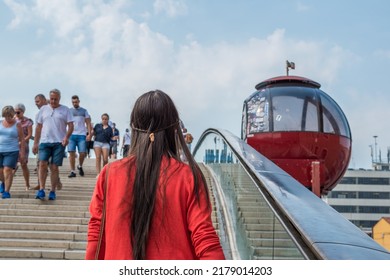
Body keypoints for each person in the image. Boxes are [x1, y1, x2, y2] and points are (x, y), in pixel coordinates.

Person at [86, 90, 225, 260]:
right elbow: (205, 239)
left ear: (134, 128)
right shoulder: (188, 176)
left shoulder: (109, 174)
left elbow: (96, 233)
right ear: (174, 128)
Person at [32, 89, 74, 200]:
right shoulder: (43, 109)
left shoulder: (65, 110)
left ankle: (52, 191)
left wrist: (66, 137)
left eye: (55, 99)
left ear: (59, 98)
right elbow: (38, 127)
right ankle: (41, 189)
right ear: (48, 98)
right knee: (42, 164)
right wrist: (36, 143)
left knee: (54, 167)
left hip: (59, 142)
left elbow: (71, 126)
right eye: (51, 99)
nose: (53, 101)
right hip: (45, 142)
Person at [0, 106, 26, 199]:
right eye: (6, 116)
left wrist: (22, 153)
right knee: (1, 172)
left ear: (13, 115)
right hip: (0, 150)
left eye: (9, 116)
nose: (8, 118)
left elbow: (22, 139)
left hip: (12, 150)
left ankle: (6, 191)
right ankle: (3, 182)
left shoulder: (17, 124)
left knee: (7, 170)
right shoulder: (0, 122)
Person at [68, 95, 92, 178]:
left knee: (82, 152)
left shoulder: (84, 111)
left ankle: (80, 165)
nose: (75, 103)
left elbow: (88, 123)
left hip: (82, 134)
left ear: (79, 101)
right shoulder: (69, 111)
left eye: (76, 102)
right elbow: (65, 123)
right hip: (71, 134)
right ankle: (72, 171)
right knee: (71, 152)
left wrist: (89, 134)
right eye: (73, 102)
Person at [14, 103, 34, 190]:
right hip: (13, 144)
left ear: (22, 112)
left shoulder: (28, 121)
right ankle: (5, 184)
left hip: (23, 145)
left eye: (18, 112)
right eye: (15, 112)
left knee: (23, 165)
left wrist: (22, 141)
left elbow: (29, 135)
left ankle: (27, 184)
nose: (16, 114)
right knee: (11, 165)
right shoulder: (12, 120)